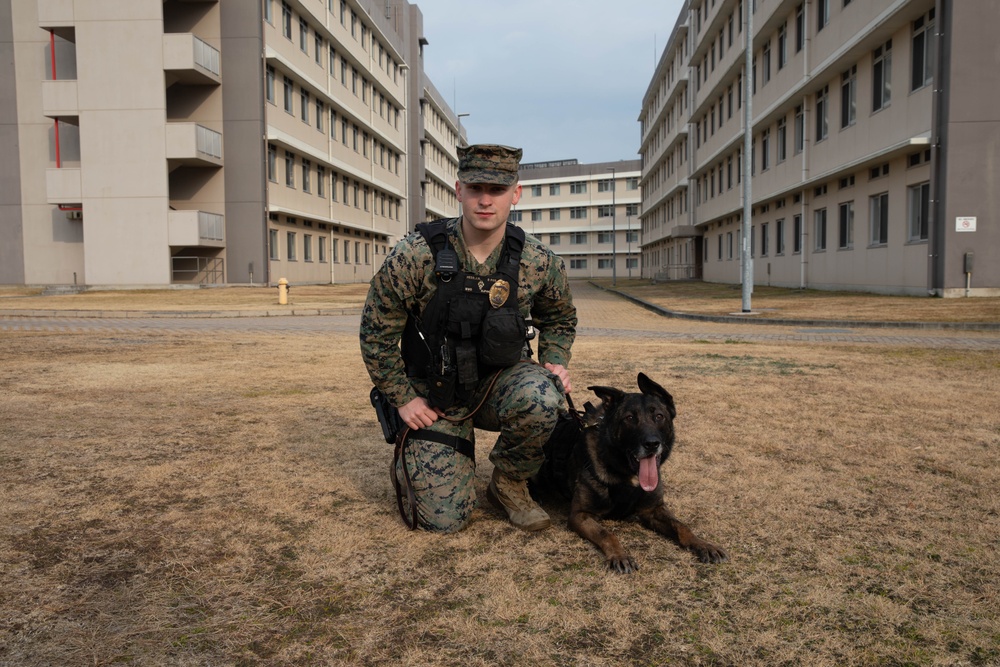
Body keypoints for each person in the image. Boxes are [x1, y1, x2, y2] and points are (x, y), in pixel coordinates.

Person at [360, 144, 577, 534]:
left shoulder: (537, 260)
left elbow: (560, 316)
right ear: (458, 190)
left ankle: (509, 483)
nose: (485, 200)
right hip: (434, 396)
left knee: (544, 395)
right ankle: (422, 451)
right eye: (475, 188)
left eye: (496, 190)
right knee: (444, 521)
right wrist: (404, 399)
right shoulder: (416, 256)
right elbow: (376, 333)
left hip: (498, 385)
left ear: (516, 193)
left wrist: (554, 360)